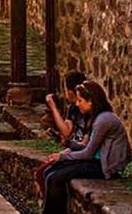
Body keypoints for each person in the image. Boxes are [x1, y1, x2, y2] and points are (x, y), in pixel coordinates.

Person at [41, 80, 132, 214]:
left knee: (55, 177)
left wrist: (62, 157)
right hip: (95, 161)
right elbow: (84, 146)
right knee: (49, 172)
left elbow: (88, 153)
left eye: (80, 100)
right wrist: (66, 148)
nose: (77, 104)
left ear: (91, 101)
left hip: (105, 167)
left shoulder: (104, 120)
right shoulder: (94, 118)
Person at [33, 71, 88, 201]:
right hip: (74, 150)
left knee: (49, 174)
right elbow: (66, 131)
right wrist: (54, 108)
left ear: (70, 91)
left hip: (81, 153)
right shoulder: (73, 108)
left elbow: (84, 145)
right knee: (41, 172)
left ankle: (51, 205)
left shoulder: (89, 111)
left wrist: (63, 155)